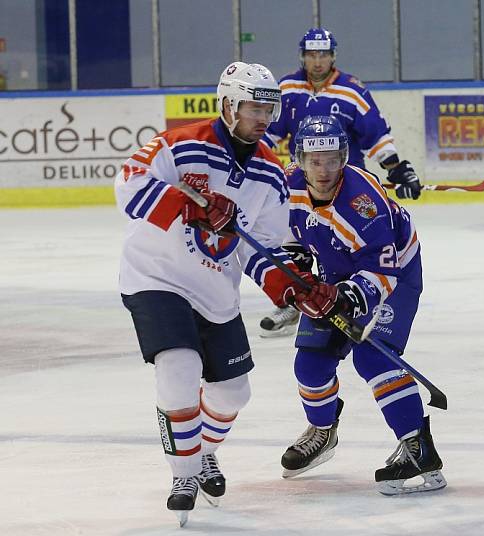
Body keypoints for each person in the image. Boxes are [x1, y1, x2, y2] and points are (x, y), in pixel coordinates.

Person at [115, 61, 313, 526]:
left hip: (214, 291)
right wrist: (189, 206)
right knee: (178, 367)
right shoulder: (181, 143)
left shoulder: (270, 174)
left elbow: (260, 248)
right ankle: (183, 474)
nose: (262, 117)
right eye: (252, 107)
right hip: (155, 276)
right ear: (227, 104)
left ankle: (201, 450)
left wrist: (286, 284)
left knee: (233, 393)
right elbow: (127, 184)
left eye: (270, 108)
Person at [276, 114, 446, 496]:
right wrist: (300, 271)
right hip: (336, 270)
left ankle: (418, 448)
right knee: (310, 362)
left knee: (374, 359)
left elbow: (382, 271)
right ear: (300, 160)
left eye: (333, 160)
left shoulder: (362, 202)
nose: (323, 171)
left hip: (394, 276)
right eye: (314, 162)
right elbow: (290, 236)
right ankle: (322, 431)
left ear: (345, 157)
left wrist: (348, 297)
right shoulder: (288, 186)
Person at [259, 26, 422, 338]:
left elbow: (375, 134)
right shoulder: (288, 88)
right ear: (302, 57)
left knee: (356, 245)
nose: (317, 61)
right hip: (307, 183)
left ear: (332, 56)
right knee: (293, 240)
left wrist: (397, 168)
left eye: (323, 55)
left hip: (348, 190)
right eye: (311, 55)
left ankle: (360, 294)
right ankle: (299, 298)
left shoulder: (351, 90)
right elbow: (269, 137)